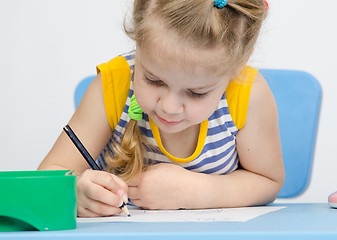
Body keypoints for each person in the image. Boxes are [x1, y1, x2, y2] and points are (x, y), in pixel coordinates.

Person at [38, 0, 284, 217]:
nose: (169, 107)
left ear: (240, 64)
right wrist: (75, 192)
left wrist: (195, 191)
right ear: (138, 44)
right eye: (154, 80)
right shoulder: (113, 85)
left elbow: (268, 181)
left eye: (196, 92)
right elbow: (49, 174)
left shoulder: (249, 94)